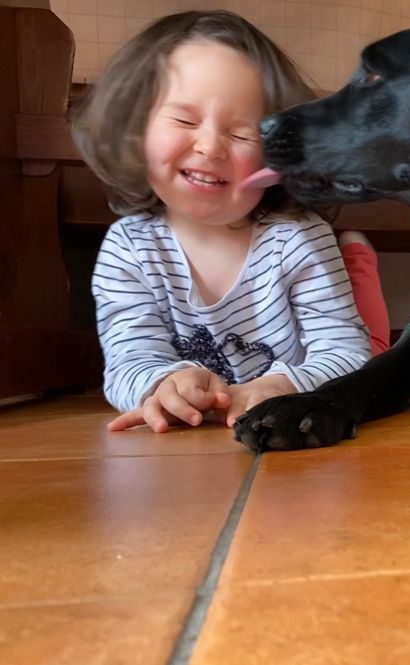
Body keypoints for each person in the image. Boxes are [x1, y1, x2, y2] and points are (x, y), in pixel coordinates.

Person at [71, 10, 390, 434]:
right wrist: (163, 384)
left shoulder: (299, 238)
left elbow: (349, 355)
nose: (210, 146)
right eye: (185, 120)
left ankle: (356, 258)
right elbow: (127, 362)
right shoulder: (127, 248)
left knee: (377, 347)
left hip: (326, 326)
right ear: (134, 130)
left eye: (242, 133)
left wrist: (284, 384)